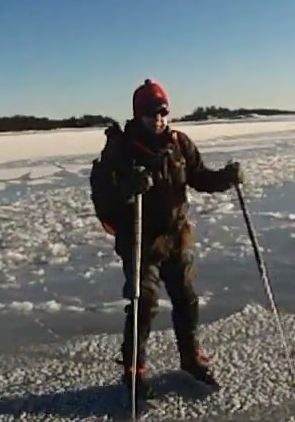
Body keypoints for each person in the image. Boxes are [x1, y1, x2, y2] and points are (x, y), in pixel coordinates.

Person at [89, 79, 244, 405]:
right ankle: (134, 370)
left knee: (186, 299)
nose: (157, 118)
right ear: (137, 114)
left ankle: (190, 358)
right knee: (143, 304)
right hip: (140, 242)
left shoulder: (179, 144)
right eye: (149, 113)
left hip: (176, 237)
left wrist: (226, 178)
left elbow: (199, 177)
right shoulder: (121, 149)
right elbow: (103, 195)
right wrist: (127, 189)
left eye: (162, 111)